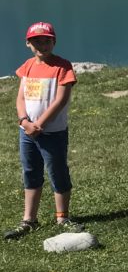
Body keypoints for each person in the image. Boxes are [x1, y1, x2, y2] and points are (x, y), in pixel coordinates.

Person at [6, 22, 78, 240]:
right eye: (37, 41)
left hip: (52, 132)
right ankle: (29, 220)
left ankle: (62, 217)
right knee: (30, 171)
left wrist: (40, 125)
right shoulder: (27, 66)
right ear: (28, 43)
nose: (42, 45)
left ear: (54, 42)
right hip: (27, 132)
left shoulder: (62, 66)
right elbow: (21, 97)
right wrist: (24, 121)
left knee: (57, 171)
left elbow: (61, 99)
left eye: (47, 40)